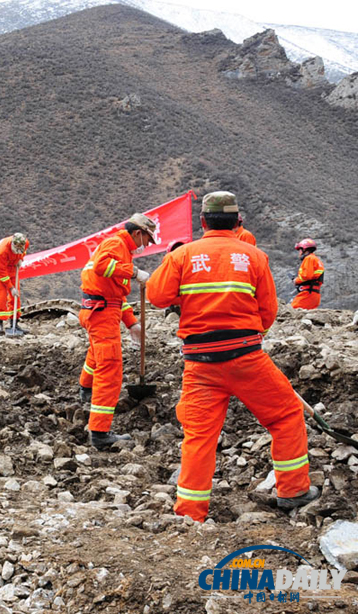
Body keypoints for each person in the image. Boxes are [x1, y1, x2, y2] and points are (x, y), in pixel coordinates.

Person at [147, 191, 318, 522]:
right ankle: (293, 490)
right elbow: (268, 313)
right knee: (285, 416)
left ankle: (190, 512)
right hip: (247, 359)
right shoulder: (253, 256)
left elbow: (156, 295)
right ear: (238, 221)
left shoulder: (184, 256)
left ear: (202, 222)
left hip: (199, 366)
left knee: (199, 437)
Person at [78, 214, 155, 450]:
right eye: (145, 239)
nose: (145, 245)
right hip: (101, 314)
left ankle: (85, 389)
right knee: (110, 368)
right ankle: (100, 432)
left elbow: (116, 296)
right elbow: (102, 267)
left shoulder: (122, 249)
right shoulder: (117, 244)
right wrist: (133, 273)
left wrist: (132, 324)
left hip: (101, 310)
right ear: (137, 233)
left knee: (97, 356)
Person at [0, 233, 29, 335]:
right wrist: (11, 287)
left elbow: (23, 252)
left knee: (16, 297)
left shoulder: (25, 242)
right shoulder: (3, 251)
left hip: (12, 268)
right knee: (0, 297)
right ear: (13, 244)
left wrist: (20, 259)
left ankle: (14, 323)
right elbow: (1, 272)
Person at [291, 239, 325, 310]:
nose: (299, 253)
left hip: (307, 294)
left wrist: (296, 280)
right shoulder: (316, 260)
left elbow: (306, 276)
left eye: (299, 250)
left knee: (292, 311)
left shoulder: (309, 258)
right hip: (314, 295)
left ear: (304, 249)